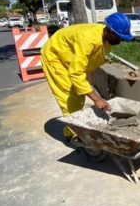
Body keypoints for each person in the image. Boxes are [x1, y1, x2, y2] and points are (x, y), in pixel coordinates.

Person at [41, 12, 133, 140]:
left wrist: (86, 88)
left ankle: (76, 127)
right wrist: (96, 99)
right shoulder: (88, 39)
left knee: (80, 92)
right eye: (118, 36)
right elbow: (76, 73)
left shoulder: (105, 39)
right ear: (108, 30)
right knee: (70, 96)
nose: (120, 40)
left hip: (68, 56)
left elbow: (87, 63)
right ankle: (74, 134)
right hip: (55, 57)